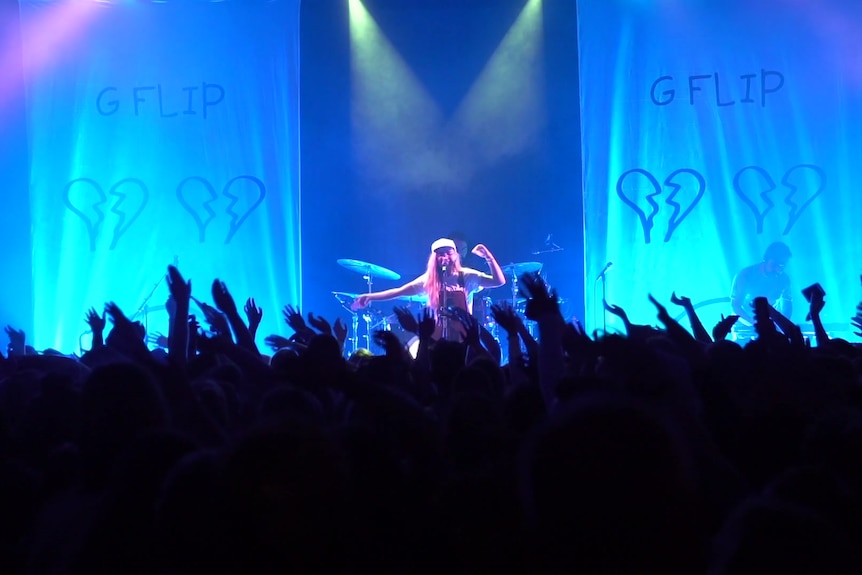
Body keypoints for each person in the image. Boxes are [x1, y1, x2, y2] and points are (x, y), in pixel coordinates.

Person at [352, 238, 506, 340]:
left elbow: (499, 281)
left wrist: (488, 257)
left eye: (449, 252)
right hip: (437, 335)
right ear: (434, 258)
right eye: (440, 254)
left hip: (463, 334)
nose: (445, 256)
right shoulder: (428, 280)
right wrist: (370, 296)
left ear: (456, 254)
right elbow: (398, 291)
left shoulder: (467, 276)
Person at [730, 241, 793, 325]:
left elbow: (787, 302)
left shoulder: (784, 280)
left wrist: (784, 325)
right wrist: (752, 322)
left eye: (781, 266)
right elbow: (736, 305)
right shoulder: (745, 275)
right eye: (774, 264)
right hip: (744, 325)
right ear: (765, 259)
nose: (777, 269)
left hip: (769, 325)